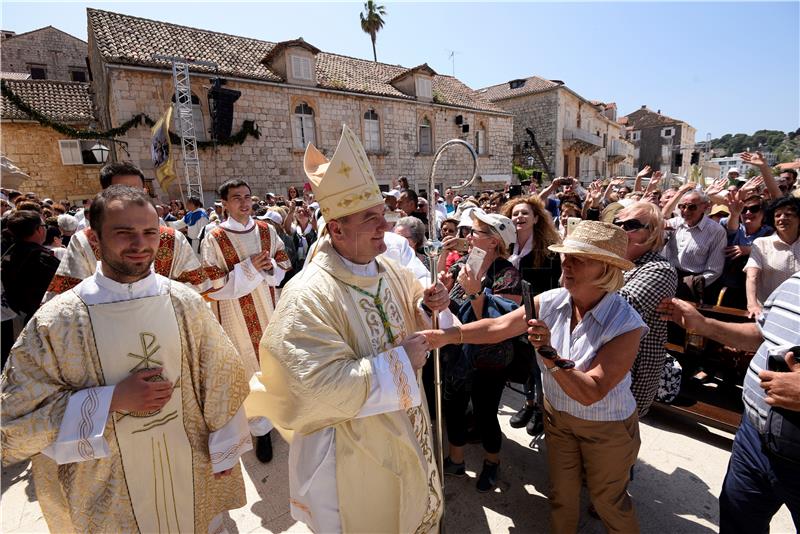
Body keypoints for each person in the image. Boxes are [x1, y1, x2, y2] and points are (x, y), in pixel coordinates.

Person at [1, 186, 251, 533]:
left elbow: (223, 376)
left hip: (191, 467)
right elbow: (13, 422)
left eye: (149, 232)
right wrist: (109, 401)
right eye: (124, 233)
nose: (140, 244)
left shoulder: (185, 302)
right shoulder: (57, 320)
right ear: (95, 238)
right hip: (108, 486)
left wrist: (226, 446)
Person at [252, 125, 448, 533]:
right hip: (347, 450)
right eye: (370, 218)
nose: (385, 226)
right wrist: (397, 362)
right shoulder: (307, 294)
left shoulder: (389, 268)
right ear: (336, 229)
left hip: (408, 423)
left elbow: (410, 312)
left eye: (384, 214)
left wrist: (426, 305)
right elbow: (307, 385)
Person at [423, 221, 647, 534]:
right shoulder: (553, 299)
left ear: (607, 269)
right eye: (566, 256)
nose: (567, 263)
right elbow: (498, 327)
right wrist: (446, 335)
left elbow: (592, 391)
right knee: (561, 495)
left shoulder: (626, 323)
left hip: (605, 427)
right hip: (558, 419)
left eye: (579, 258)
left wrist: (549, 354)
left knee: (609, 501)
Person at [657, 274, 800, 533]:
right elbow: (761, 335)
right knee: (737, 522)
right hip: (753, 439)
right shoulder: (795, 282)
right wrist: (703, 325)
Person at [201, 178, 293, 464]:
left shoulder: (266, 230)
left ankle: (281, 414)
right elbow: (212, 284)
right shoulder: (214, 237)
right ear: (224, 204)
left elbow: (283, 263)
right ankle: (260, 429)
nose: (244, 202)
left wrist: (269, 269)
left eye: (247, 196)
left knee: (274, 362)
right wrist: (249, 268)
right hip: (234, 316)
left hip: (269, 309)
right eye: (236, 198)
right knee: (248, 368)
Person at [45, 162, 211, 299]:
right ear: (104, 194)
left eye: (137, 191)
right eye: (121, 190)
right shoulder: (85, 241)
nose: (131, 198)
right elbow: (65, 299)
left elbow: (198, 286)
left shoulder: (172, 238)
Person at [441, 210, 521, 492]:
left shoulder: (507, 274)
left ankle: (492, 462)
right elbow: (447, 299)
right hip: (458, 350)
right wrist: (444, 280)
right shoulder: (467, 262)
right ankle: (457, 460)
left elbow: (498, 324)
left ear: (495, 241)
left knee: (486, 413)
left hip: (489, 357)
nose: (469, 236)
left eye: (476, 232)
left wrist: (476, 292)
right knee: (454, 406)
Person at [501, 195, 561, 434]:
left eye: (525, 213)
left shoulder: (548, 252)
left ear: (537, 218)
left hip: (539, 316)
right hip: (512, 315)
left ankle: (540, 409)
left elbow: (555, 289)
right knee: (524, 363)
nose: (519, 217)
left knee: (538, 367)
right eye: (515, 213)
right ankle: (528, 403)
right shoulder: (506, 248)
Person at [613, 201, 678, 415]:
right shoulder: (613, 264)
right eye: (617, 223)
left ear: (651, 233)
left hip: (630, 377)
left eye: (631, 225)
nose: (621, 229)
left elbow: (620, 309)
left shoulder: (660, 269)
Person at [0, 210, 61, 367]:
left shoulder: (8, 253)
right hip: (40, 322)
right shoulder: (43, 259)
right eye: (43, 225)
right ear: (39, 230)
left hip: (17, 317)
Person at [662, 190, 726, 302]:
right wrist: (659, 229)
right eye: (682, 206)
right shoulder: (674, 223)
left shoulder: (716, 231)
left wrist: (694, 284)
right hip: (667, 278)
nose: (685, 211)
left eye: (691, 207)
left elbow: (714, 270)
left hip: (692, 284)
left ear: (705, 207)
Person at [744, 195, 800, 318]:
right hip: (768, 312)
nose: (782, 218)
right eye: (778, 215)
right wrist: (753, 305)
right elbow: (751, 277)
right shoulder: (761, 244)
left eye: (788, 214)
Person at [718, 193, 772, 308]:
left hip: (756, 291)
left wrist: (750, 250)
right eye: (744, 210)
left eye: (754, 209)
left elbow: (774, 250)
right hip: (728, 288)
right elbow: (731, 227)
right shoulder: (736, 227)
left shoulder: (770, 233)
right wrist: (735, 213)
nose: (748, 213)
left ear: (763, 213)